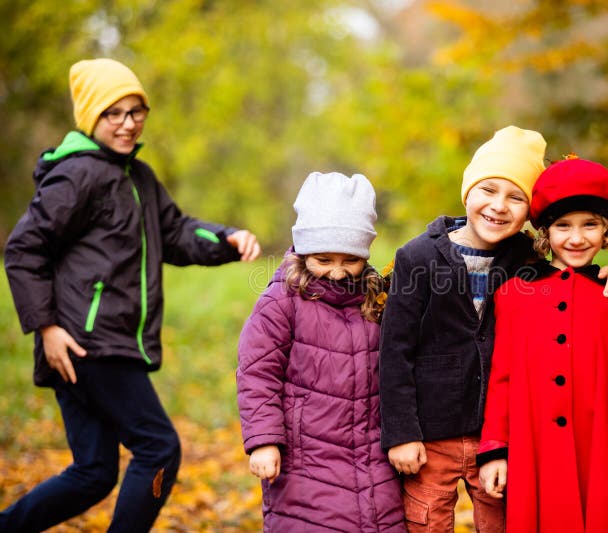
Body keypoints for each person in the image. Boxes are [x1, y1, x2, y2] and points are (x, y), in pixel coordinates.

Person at [2, 58, 261, 532]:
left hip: (103, 342)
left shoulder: (137, 176)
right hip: (88, 342)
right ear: (91, 118)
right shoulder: (77, 175)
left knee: (93, 473)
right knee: (159, 449)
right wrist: (47, 328)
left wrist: (225, 239)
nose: (127, 123)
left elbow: (176, 232)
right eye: (113, 113)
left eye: (136, 111)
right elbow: (23, 249)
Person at [379, 126, 608, 532]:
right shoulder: (417, 257)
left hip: (503, 439)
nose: (499, 206)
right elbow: (395, 351)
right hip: (431, 436)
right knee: (427, 522)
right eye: (488, 190)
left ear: (530, 213)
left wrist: (607, 273)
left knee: (502, 524)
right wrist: (401, 433)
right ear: (468, 192)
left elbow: (570, 279)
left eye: (515, 197)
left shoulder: (525, 258)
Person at [478, 157, 608, 532]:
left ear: (607, 232)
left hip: (606, 454)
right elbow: (502, 378)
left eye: (590, 225)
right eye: (563, 226)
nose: (577, 238)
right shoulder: (514, 295)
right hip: (535, 454)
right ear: (545, 234)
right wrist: (495, 450)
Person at [237, 172, 405, 532]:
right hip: (305, 462)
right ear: (303, 249)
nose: (338, 272)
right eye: (324, 259)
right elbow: (257, 372)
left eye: (351, 260)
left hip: (374, 459)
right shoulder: (282, 300)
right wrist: (264, 440)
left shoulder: (377, 300)